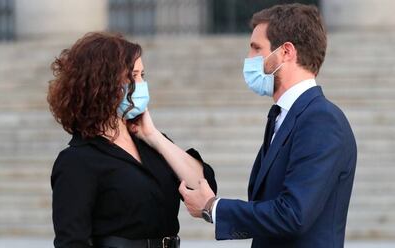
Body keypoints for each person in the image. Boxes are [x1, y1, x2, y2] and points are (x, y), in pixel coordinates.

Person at [179, 3, 357, 248]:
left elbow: (293, 214)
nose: (249, 59)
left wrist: (213, 207)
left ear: (286, 52)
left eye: (256, 48)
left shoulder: (321, 119)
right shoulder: (283, 116)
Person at [47, 32, 217, 248]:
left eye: (143, 75)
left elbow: (205, 187)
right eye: (133, 76)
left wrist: (154, 136)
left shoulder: (151, 143)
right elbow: (72, 241)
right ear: (102, 83)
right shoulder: (78, 160)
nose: (141, 84)